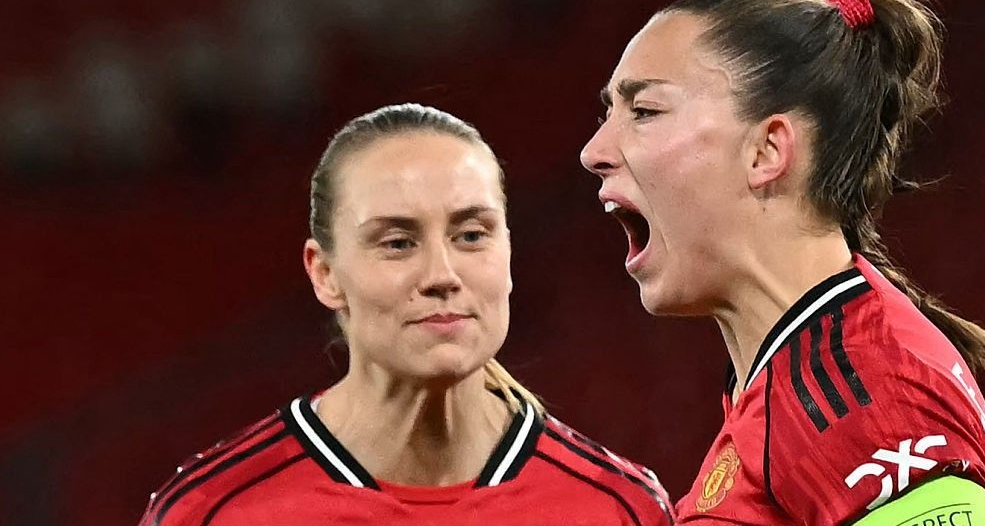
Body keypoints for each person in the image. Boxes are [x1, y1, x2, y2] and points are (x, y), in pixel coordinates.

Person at [580, 0, 985, 525]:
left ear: (766, 151)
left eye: (643, 110)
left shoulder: (866, 397)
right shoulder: (796, 383)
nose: (593, 152)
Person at [139, 103, 674, 526]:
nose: (442, 274)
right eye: (397, 243)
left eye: (471, 235)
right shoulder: (213, 512)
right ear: (324, 273)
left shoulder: (619, 508)